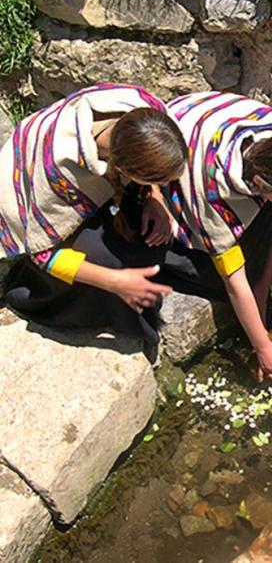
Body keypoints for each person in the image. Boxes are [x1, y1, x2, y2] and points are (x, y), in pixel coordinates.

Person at [1, 83, 187, 361]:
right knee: (103, 257)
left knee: (145, 237)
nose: (164, 186)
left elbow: (150, 185)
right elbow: (43, 253)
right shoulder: (58, 170)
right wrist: (115, 281)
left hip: (100, 182)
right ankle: (38, 300)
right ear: (125, 171)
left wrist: (156, 198)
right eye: (157, 180)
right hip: (37, 205)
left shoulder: (148, 112)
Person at [156, 91, 272, 384]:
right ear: (259, 185)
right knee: (211, 280)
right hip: (175, 151)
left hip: (213, 125)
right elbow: (233, 280)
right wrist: (262, 347)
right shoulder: (213, 194)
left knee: (254, 259)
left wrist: (261, 287)